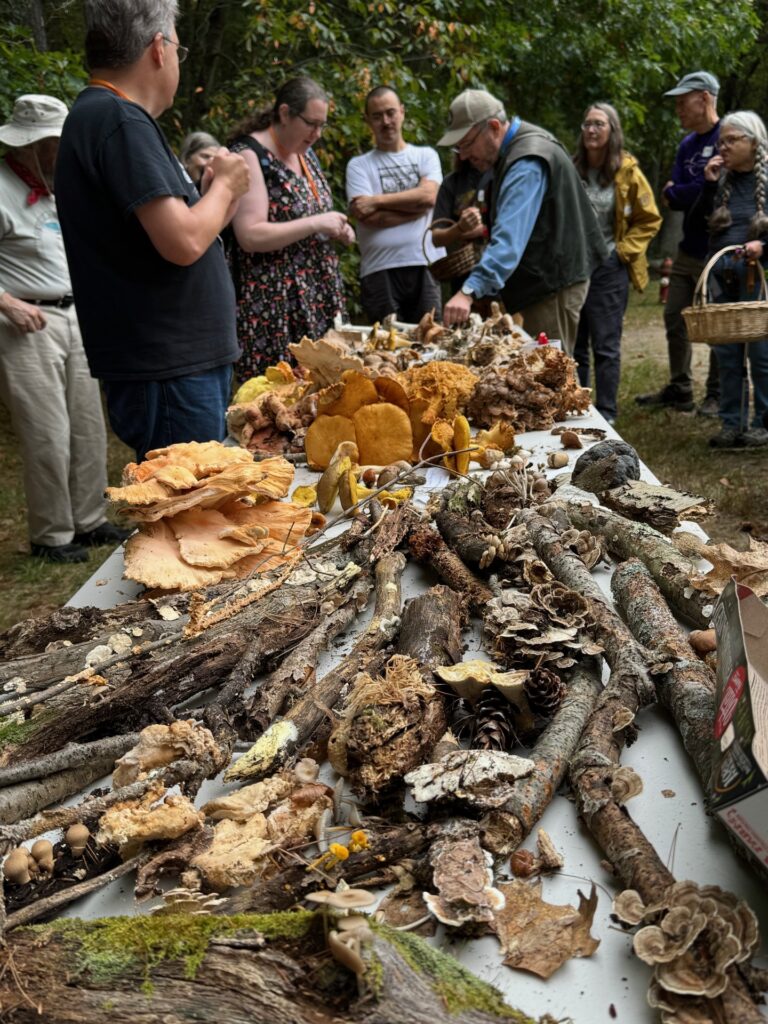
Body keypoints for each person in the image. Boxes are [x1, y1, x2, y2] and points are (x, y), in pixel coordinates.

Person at [55, 0, 250, 463]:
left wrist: (217, 197)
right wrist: (225, 185)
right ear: (159, 48)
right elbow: (182, 243)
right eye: (179, 49)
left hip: (170, 369)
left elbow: (182, 236)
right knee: (189, 516)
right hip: (168, 372)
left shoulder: (104, 117)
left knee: (195, 512)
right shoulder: (119, 119)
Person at [0, 94, 128, 563]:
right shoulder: (1, 186)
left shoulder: (58, 185)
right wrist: (7, 303)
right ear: (30, 144)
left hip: (77, 315)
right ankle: (51, 535)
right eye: (57, 142)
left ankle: (90, 518)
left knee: (88, 424)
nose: (64, 150)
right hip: (26, 323)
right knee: (47, 431)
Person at [439, 89, 607, 353]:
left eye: (467, 143)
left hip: (551, 286)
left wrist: (468, 291)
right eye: (458, 147)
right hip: (547, 281)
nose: (462, 155)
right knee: (544, 375)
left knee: (551, 376)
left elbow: (508, 241)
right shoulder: (519, 148)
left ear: (493, 127)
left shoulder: (525, 162)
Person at [228, 77, 353, 383]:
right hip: (274, 307)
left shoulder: (305, 153)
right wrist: (316, 223)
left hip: (317, 297)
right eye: (311, 123)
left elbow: (311, 216)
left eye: (322, 125)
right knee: (279, 397)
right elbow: (250, 235)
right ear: (285, 113)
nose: (318, 134)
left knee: (329, 390)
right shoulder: (249, 155)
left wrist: (336, 230)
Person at [636, 71, 721, 415]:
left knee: (719, 323)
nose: (678, 109)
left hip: (719, 248)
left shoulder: (728, 135)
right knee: (675, 316)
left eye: (682, 101)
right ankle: (681, 387)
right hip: (689, 248)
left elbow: (713, 193)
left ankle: (717, 394)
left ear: (703, 98)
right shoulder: (687, 145)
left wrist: (685, 190)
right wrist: (690, 189)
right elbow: (673, 197)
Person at [573, 102, 662, 424]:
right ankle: (579, 407)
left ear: (612, 130)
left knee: (606, 344)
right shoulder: (572, 169)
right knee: (575, 344)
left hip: (610, 268)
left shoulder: (627, 171)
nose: (591, 130)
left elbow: (649, 219)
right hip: (575, 269)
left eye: (598, 124)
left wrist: (622, 252)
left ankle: (607, 413)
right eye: (587, 124)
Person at [689, 110, 768, 449]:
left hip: (759, 280)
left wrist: (763, 246)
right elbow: (693, 229)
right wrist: (707, 186)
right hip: (723, 277)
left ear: (754, 143)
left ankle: (763, 426)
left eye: (732, 140)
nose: (724, 146)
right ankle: (731, 425)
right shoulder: (720, 181)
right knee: (727, 354)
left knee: (762, 356)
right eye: (722, 140)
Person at [346, 85, 443, 323]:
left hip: (425, 264)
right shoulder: (358, 165)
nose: (386, 121)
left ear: (402, 112)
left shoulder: (426, 155)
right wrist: (418, 209)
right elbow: (368, 217)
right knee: (386, 350)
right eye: (377, 116)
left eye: (390, 113)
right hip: (379, 269)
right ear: (367, 120)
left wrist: (377, 201)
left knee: (433, 341)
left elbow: (428, 197)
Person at [430, 156, 493, 298]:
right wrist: (459, 228)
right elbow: (436, 238)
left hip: (501, 274)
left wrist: (483, 229)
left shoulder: (503, 176)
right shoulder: (452, 182)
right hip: (464, 278)